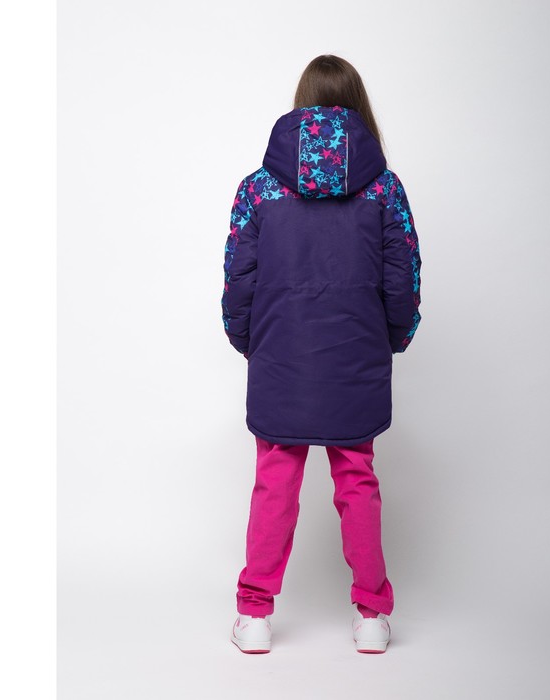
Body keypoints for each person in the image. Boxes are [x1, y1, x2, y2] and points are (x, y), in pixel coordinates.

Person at [221, 54, 422, 654]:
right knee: (357, 480)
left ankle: (254, 617)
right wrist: (391, 338)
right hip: (354, 356)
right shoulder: (384, 189)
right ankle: (372, 616)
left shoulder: (258, 188)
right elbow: (404, 279)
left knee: (274, 483)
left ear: (301, 101)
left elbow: (237, 278)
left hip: (281, 357)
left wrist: (249, 342)